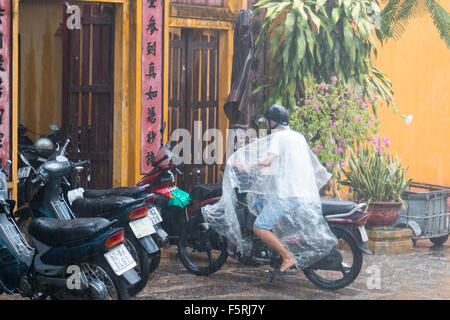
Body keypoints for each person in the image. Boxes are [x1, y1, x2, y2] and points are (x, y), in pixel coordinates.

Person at [233, 104, 331, 272]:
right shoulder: (297, 137)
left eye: (268, 122)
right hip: (303, 192)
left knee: (259, 227)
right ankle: (273, 247)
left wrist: (245, 167)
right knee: (257, 205)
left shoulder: (279, 137)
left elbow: (267, 161)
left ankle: (287, 256)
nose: (267, 125)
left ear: (273, 122)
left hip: (287, 194)